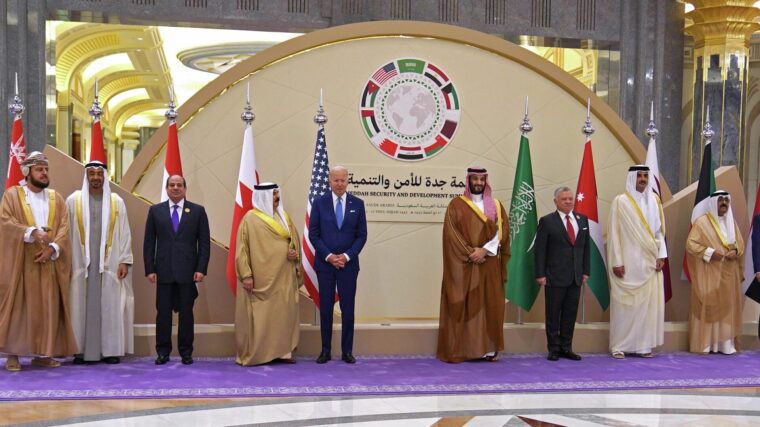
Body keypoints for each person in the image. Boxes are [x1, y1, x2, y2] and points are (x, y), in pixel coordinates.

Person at [0, 151, 77, 371]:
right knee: (19, 309)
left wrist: (52, 248)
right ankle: (13, 354)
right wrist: (32, 232)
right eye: (39, 170)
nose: (44, 173)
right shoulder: (12, 196)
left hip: (48, 262)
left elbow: (64, 228)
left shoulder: (56, 198)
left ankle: (43, 353)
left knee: (47, 308)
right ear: (27, 172)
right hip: (22, 261)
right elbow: (5, 222)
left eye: (46, 169)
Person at [437, 167, 510, 363]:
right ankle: (464, 349)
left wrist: (484, 251)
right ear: (468, 181)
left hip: (489, 263)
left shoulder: (496, 205)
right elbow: (451, 234)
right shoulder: (456, 204)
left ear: (486, 181)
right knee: (467, 306)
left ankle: (488, 349)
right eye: (475, 179)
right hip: (466, 265)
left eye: (481, 179)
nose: (478, 182)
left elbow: (502, 232)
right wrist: (471, 252)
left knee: (489, 304)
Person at [66, 161, 133, 365]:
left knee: (110, 306)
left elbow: (125, 232)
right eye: (92, 174)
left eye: (99, 174)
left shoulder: (116, 202)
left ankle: (110, 350)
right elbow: (66, 233)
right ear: (86, 177)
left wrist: (124, 260)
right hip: (81, 264)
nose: (96, 177)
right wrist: (67, 262)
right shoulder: (73, 201)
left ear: (105, 176)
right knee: (80, 306)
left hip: (109, 265)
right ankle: (80, 351)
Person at [143, 175, 210, 365]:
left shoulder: (197, 211)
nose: (175, 188)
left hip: (188, 272)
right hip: (163, 271)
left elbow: (204, 244)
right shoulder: (155, 211)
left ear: (185, 189)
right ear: (166, 189)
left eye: (179, 185)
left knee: (186, 314)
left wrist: (201, 269)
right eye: (171, 185)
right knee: (163, 314)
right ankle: (163, 352)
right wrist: (149, 269)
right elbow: (149, 243)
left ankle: (186, 352)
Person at [235, 183, 301, 366]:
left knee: (283, 314)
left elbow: (293, 240)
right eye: (273, 195)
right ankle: (260, 354)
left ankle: (283, 353)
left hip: (284, 276)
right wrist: (246, 275)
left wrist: (294, 253)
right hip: (261, 278)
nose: (277, 198)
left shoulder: (283, 216)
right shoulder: (250, 219)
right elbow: (242, 250)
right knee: (262, 317)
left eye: (277, 194)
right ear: (264, 196)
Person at [606, 165, 666, 359]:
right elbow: (614, 233)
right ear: (632, 178)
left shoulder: (655, 200)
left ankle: (643, 346)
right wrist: (617, 261)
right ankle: (619, 345)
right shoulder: (620, 202)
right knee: (625, 306)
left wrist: (661, 256)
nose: (642, 179)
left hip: (650, 261)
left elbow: (660, 232)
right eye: (639, 175)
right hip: (628, 262)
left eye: (645, 176)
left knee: (647, 306)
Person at [309, 165, 367, 364]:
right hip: (325, 265)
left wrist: (346, 256)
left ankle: (347, 351)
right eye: (336, 180)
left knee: (348, 309)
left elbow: (362, 236)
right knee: (325, 309)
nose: (340, 184)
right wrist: (329, 256)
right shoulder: (319, 203)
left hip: (348, 266)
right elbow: (314, 234)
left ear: (347, 180)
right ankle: (325, 350)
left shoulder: (358, 204)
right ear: (329, 180)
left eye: (343, 180)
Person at [534, 186, 589, 361]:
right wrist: (540, 274)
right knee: (553, 315)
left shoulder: (582, 220)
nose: (568, 201)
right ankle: (554, 349)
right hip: (554, 276)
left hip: (575, 277)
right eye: (564, 199)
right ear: (555, 201)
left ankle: (567, 347)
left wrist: (586, 270)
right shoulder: (547, 221)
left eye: (570, 198)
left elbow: (585, 248)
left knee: (569, 315)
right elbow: (540, 250)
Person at [686, 190, 744, 354]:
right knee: (709, 306)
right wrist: (711, 253)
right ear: (714, 203)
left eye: (726, 200)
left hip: (728, 274)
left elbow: (740, 244)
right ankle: (707, 343)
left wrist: (736, 251)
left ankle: (725, 344)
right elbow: (691, 244)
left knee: (727, 308)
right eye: (721, 200)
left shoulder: (732, 222)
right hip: (709, 273)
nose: (724, 203)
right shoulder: (702, 223)